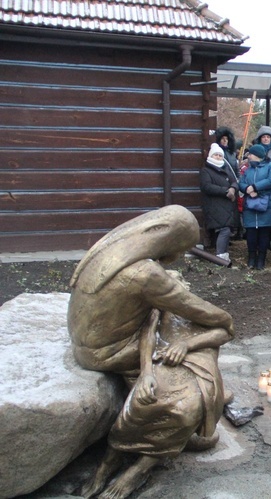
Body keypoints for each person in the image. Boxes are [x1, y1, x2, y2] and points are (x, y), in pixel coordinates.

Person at [67, 205, 234, 498]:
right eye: (182, 249)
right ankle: (181, 423)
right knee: (193, 340)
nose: (181, 256)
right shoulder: (146, 274)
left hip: (88, 341)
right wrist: (216, 325)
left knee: (172, 327)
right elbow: (215, 317)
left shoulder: (115, 249)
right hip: (108, 350)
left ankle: (207, 400)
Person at [239, 144, 271, 270]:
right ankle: (251, 258)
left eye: (250, 153)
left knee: (264, 233)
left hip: (266, 205)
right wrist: (247, 189)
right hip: (250, 206)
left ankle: (261, 259)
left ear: (256, 155)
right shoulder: (247, 169)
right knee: (251, 233)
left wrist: (256, 188)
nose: (248, 156)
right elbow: (241, 182)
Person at [200, 143, 240, 261]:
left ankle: (222, 253)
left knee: (225, 229)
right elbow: (207, 186)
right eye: (216, 155)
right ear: (211, 156)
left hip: (227, 205)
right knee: (224, 229)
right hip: (215, 205)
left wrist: (233, 188)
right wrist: (226, 191)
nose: (218, 157)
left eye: (220, 155)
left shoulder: (226, 169)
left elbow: (235, 181)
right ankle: (221, 255)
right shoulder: (206, 171)